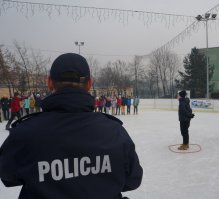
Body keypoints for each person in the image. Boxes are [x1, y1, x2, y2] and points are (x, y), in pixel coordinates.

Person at [0, 53, 143, 199]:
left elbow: (8, 176)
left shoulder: (24, 133)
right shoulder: (115, 131)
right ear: (89, 84)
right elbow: (133, 180)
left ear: (49, 83)